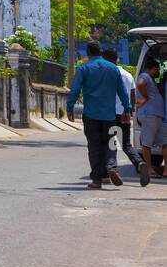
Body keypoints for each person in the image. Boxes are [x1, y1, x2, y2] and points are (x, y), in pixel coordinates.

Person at [67, 41, 132, 189]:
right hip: (109, 115)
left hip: (91, 115)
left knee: (94, 146)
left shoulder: (84, 68)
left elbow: (75, 89)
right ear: (100, 52)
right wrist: (127, 109)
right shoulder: (113, 68)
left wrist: (70, 108)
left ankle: (97, 180)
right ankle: (111, 167)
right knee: (109, 143)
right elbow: (122, 91)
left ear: (87, 53)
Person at [102, 48, 144, 175]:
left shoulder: (106, 74)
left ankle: (112, 168)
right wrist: (130, 111)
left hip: (109, 114)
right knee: (126, 144)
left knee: (110, 142)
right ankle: (139, 162)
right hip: (124, 113)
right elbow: (132, 95)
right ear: (117, 59)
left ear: (105, 60)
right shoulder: (128, 75)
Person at [135, 57, 166, 186]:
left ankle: (165, 170)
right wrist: (145, 97)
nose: (158, 71)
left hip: (157, 116)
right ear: (152, 68)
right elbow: (140, 84)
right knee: (146, 144)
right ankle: (149, 169)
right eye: (157, 69)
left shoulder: (150, 79)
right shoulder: (145, 76)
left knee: (165, 143)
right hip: (149, 115)